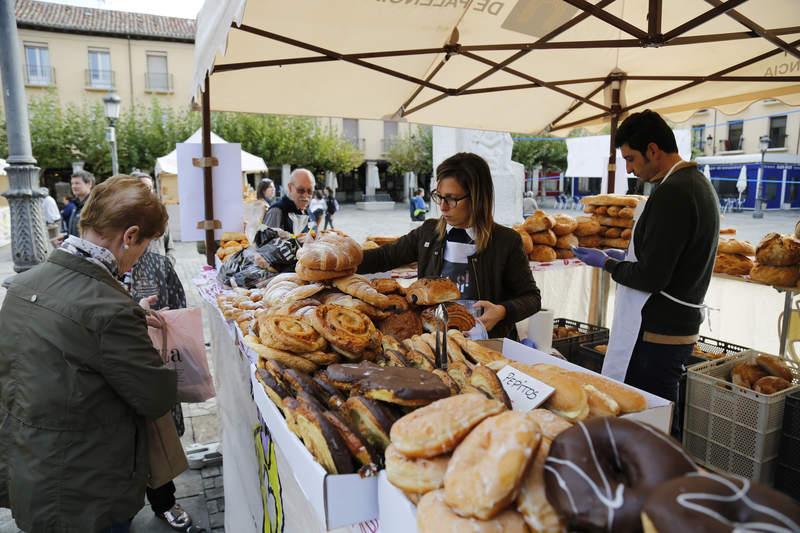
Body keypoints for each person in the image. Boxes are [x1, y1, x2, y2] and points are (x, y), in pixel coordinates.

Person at [0, 175, 177, 533]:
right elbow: (155, 397)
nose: (141, 257)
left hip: (30, 467)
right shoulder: (111, 309)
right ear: (130, 236)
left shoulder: (21, 285)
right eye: (146, 245)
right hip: (87, 488)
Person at [572, 109, 720, 408]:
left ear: (652, 150)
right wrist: (626, 256)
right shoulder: (697, 183)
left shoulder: (673, 193)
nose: (629, 169)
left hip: (660, 332)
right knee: (659, 408)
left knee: (649, 413)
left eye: (630, 159)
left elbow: (652, 277)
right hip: (676, 327)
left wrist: (609, 264)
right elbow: (669, 256)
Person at [359, 152, 541, 339]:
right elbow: (385, 256)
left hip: (487, 343)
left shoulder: (506, 241)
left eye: (452, 199)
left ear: (477, 198)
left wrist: (502, 311)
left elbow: (532, 298)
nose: (443, 207)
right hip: (435, 342)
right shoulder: (429, 232)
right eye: (439, 196)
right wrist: (344, 260)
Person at [127, 171, 191, 530]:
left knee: (159, 438)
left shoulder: (157, 262)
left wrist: (163, 318)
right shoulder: (97, 265)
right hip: (115, 371)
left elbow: (179, 309)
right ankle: (124, 505)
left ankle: (164, 501)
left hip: (152, 363)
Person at [263, 168, 314, 234]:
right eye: (301, 190)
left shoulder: (307, 211)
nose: (306, 195)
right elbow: (266, 238)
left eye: (310, 191)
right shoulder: (277, 211)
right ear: (290, 188)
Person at [65, 169, 95, 238]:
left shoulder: (94, 205)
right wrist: (65, 237)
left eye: (77, 183)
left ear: (89, 184)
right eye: (72, 183)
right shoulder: (76, 204)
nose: (73, 186)